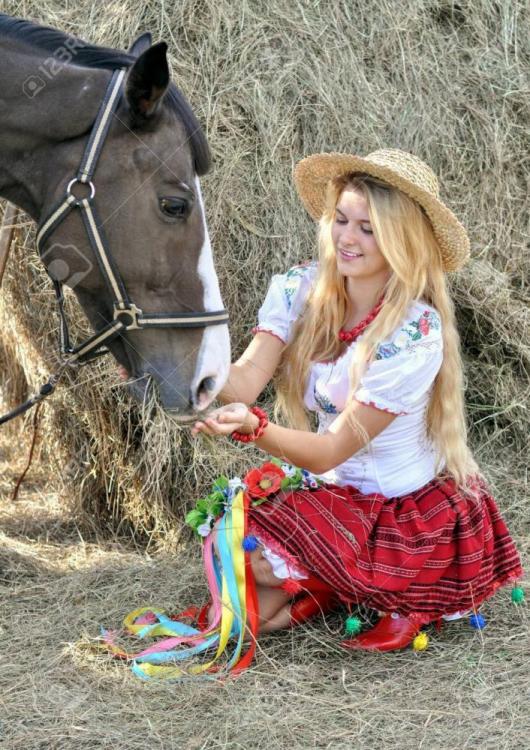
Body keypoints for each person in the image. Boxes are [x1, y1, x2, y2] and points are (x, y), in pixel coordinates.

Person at [188, 148, 522, 653]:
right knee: (232, 553)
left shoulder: (414, 333)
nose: (347, 238)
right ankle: (329, 585)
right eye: (341, 220)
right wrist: (188, 370)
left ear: (401, 240)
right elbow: (246, 380)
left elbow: (331, 450)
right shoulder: (300, 288)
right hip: (333, 493)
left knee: (255, 581)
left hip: (396, 510)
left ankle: (383, 590)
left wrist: (254, 429)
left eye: (368, 228)